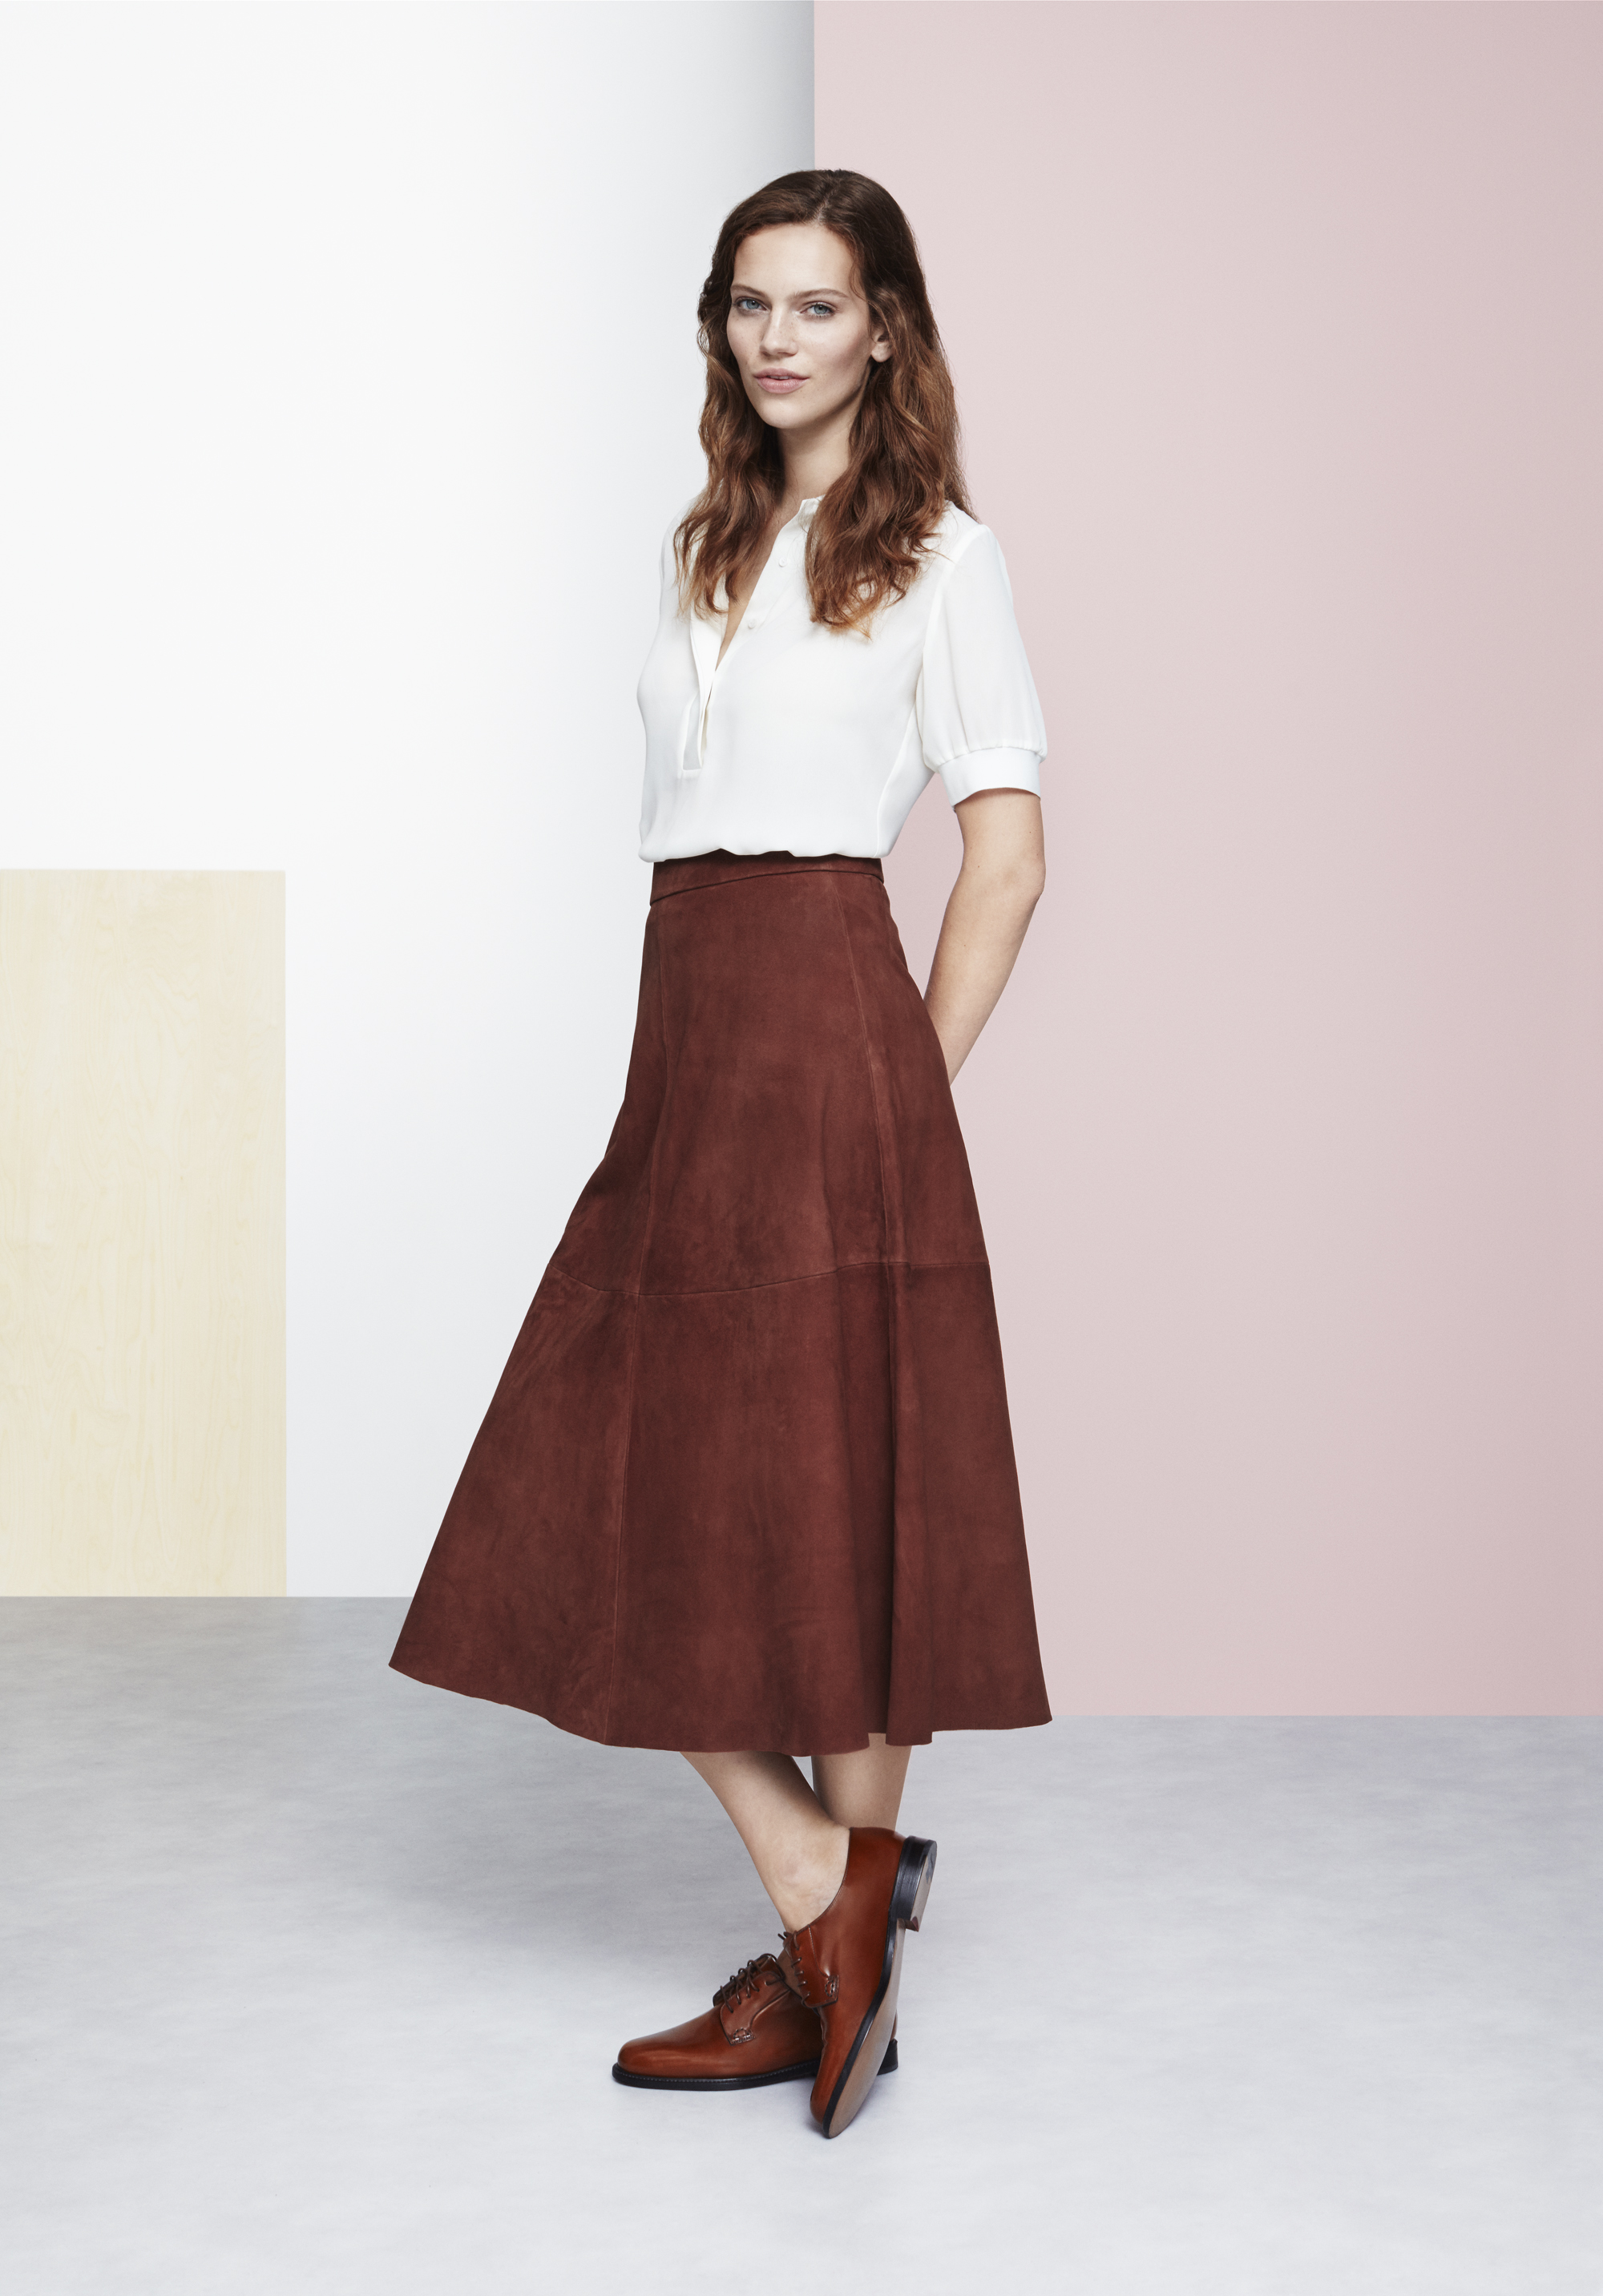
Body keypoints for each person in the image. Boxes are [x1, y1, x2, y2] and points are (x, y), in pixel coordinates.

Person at [390, 168, 1051, 2140]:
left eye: (816, 304)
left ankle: (823, 1949)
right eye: (749, 303)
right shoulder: (706, 538)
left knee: (853, 1474)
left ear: (883, 327)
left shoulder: (941, 556)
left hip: (829, 1027)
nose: (776, 336)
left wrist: (903, 1087)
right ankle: (832, 1898)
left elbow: (1005, 855)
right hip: (686, 1022)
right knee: (617, 1477)